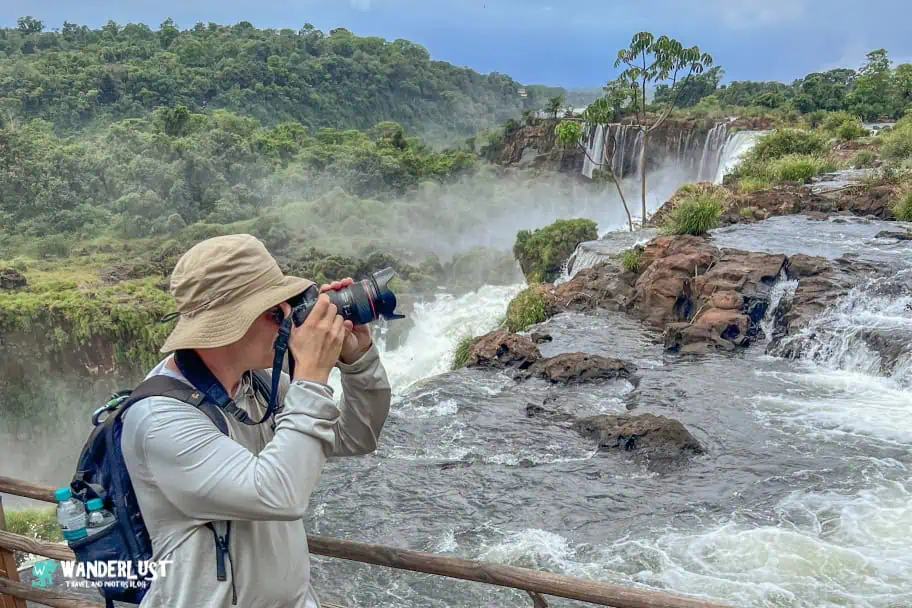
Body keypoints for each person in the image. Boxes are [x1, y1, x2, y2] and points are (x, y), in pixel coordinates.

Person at [120, 234, 392, 607]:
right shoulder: (160, 420)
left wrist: (358, 362)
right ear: (227, 326)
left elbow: (357, 436)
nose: (288, 320)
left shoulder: (259, 386)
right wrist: (310, 375)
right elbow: (279, 494)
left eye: (289, 306)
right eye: (273, 311)